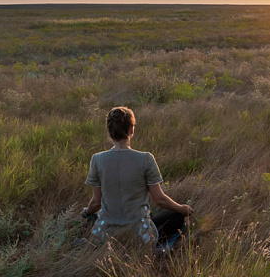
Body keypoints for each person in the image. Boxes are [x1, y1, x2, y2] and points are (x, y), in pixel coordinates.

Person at [82, 106, 193, 248]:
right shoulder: (145, 159)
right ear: (131, 130)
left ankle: (97, 243)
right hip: (140, 235)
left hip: (104, 235)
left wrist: (86, 212)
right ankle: (160, 249)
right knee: (177, 218)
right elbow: (159, 199)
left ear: (110, 131)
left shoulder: (97, 159)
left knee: (93, 216)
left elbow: (96, 203)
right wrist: (181, 208)